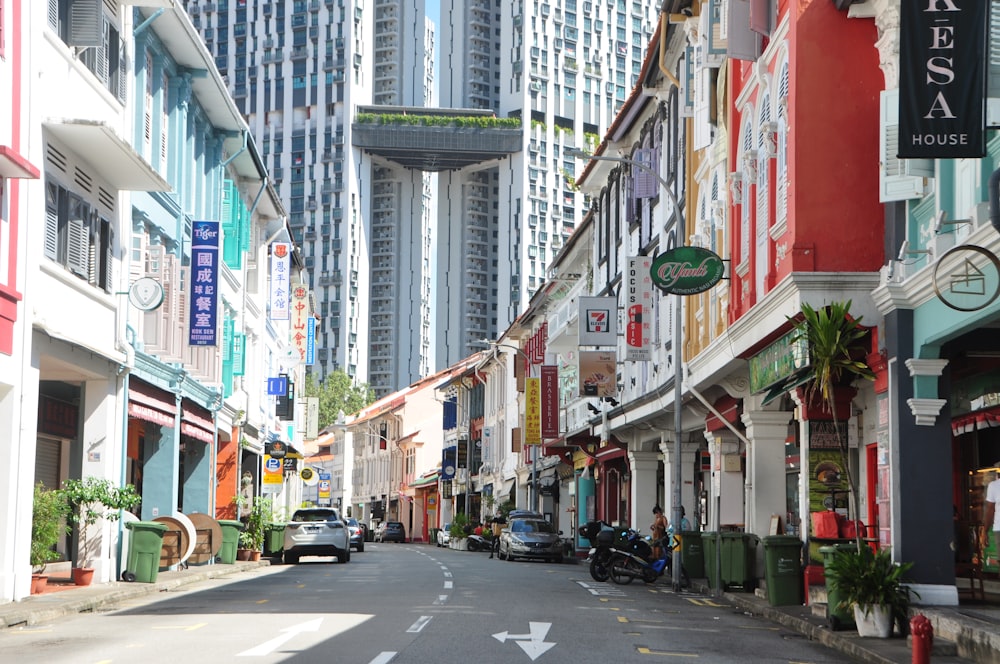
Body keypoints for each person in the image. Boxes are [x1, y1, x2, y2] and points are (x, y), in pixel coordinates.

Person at [984, 473, 1000, 562]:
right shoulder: (994, 486)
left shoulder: (994, 486)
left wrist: (985, 531)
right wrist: (985, 531)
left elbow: (990, 510)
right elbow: (990, 510)